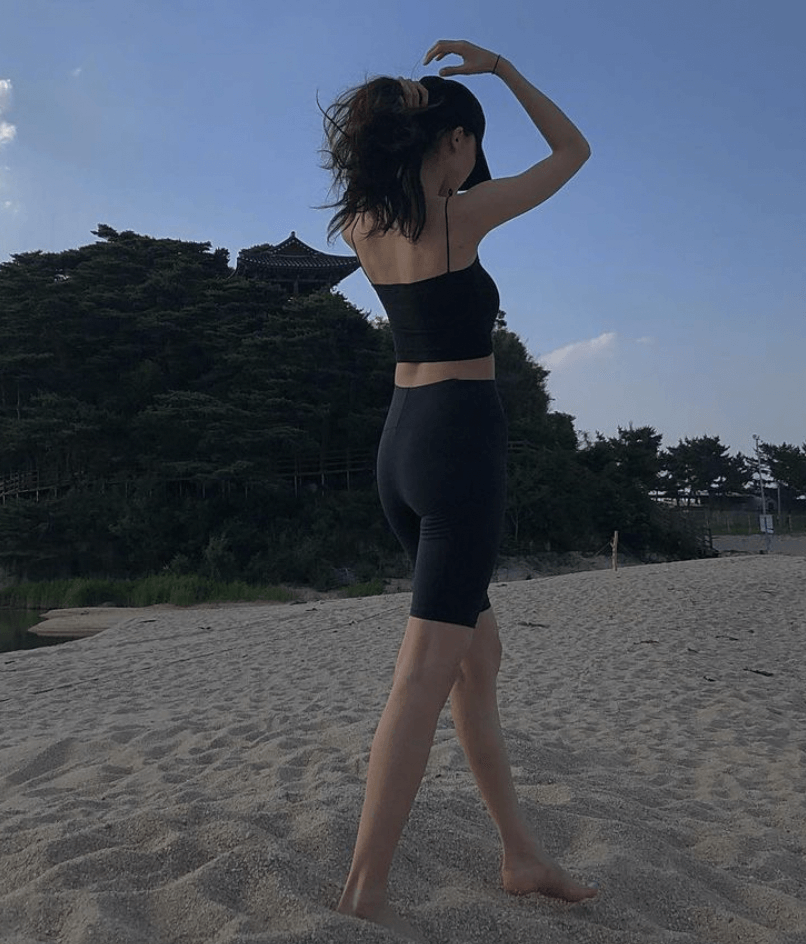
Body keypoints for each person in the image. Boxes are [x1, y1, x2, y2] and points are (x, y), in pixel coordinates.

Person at [321, 39, 595, 942]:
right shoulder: (457, 221)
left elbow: (392, 149)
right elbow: (573, 151)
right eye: (471, 143)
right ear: (455, 142)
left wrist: (415, 103)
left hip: (398, 449)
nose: (476, 160)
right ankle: (364, 894)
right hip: (457, 447)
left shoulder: (365, 222)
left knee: (479, 662)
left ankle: (521, 855)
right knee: (422, 679)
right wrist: (505, 71)